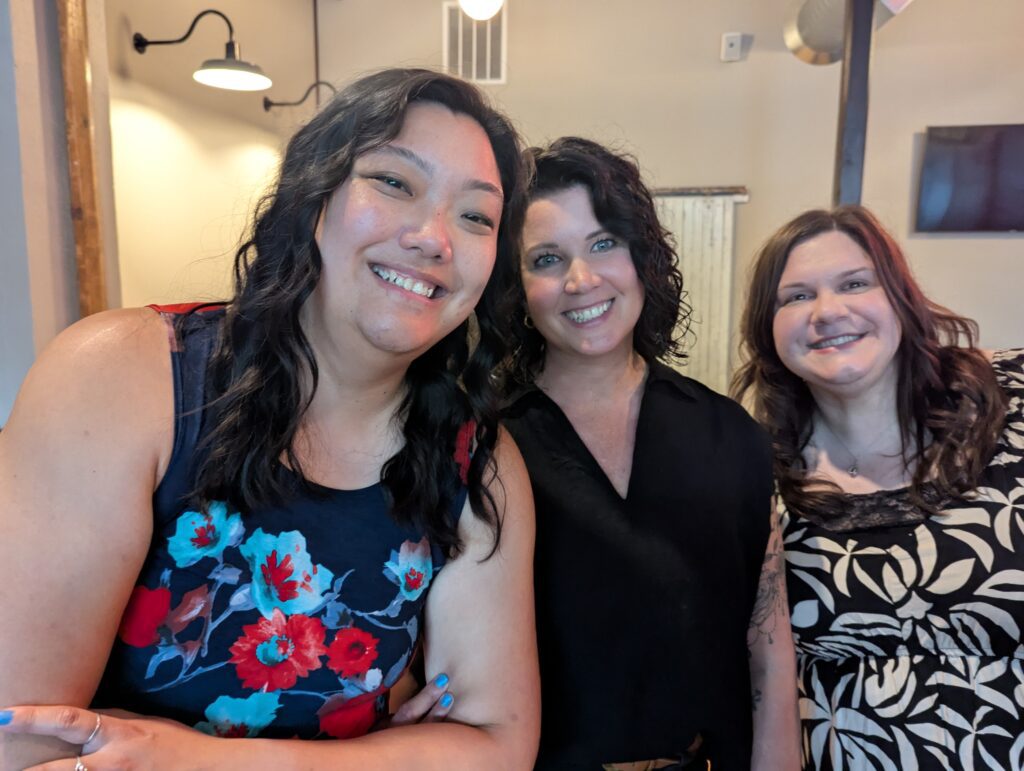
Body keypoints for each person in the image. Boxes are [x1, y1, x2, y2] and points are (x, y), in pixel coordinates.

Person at [0, 68, 539, 769]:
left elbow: (494, 745)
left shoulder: (476, 461)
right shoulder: (124, 377)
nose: (435, 237)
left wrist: (197, 759)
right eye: (395, 183)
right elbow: (24, 738)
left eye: (475, 216)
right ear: (314, 198)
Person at [499, 137, 800, 769]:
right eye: (547, 259)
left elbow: (767, 652)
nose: (582, 281)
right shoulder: (488, 442)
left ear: (642, 257)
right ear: (516, 289)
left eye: (604, 243)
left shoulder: (729, 435)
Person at [732, 204, 1024, 769]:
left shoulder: (1012, 403)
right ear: (767, 330)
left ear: (899, 297)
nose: (827, 311)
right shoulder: (753, 476)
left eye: (855, 283)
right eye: (795, 297)